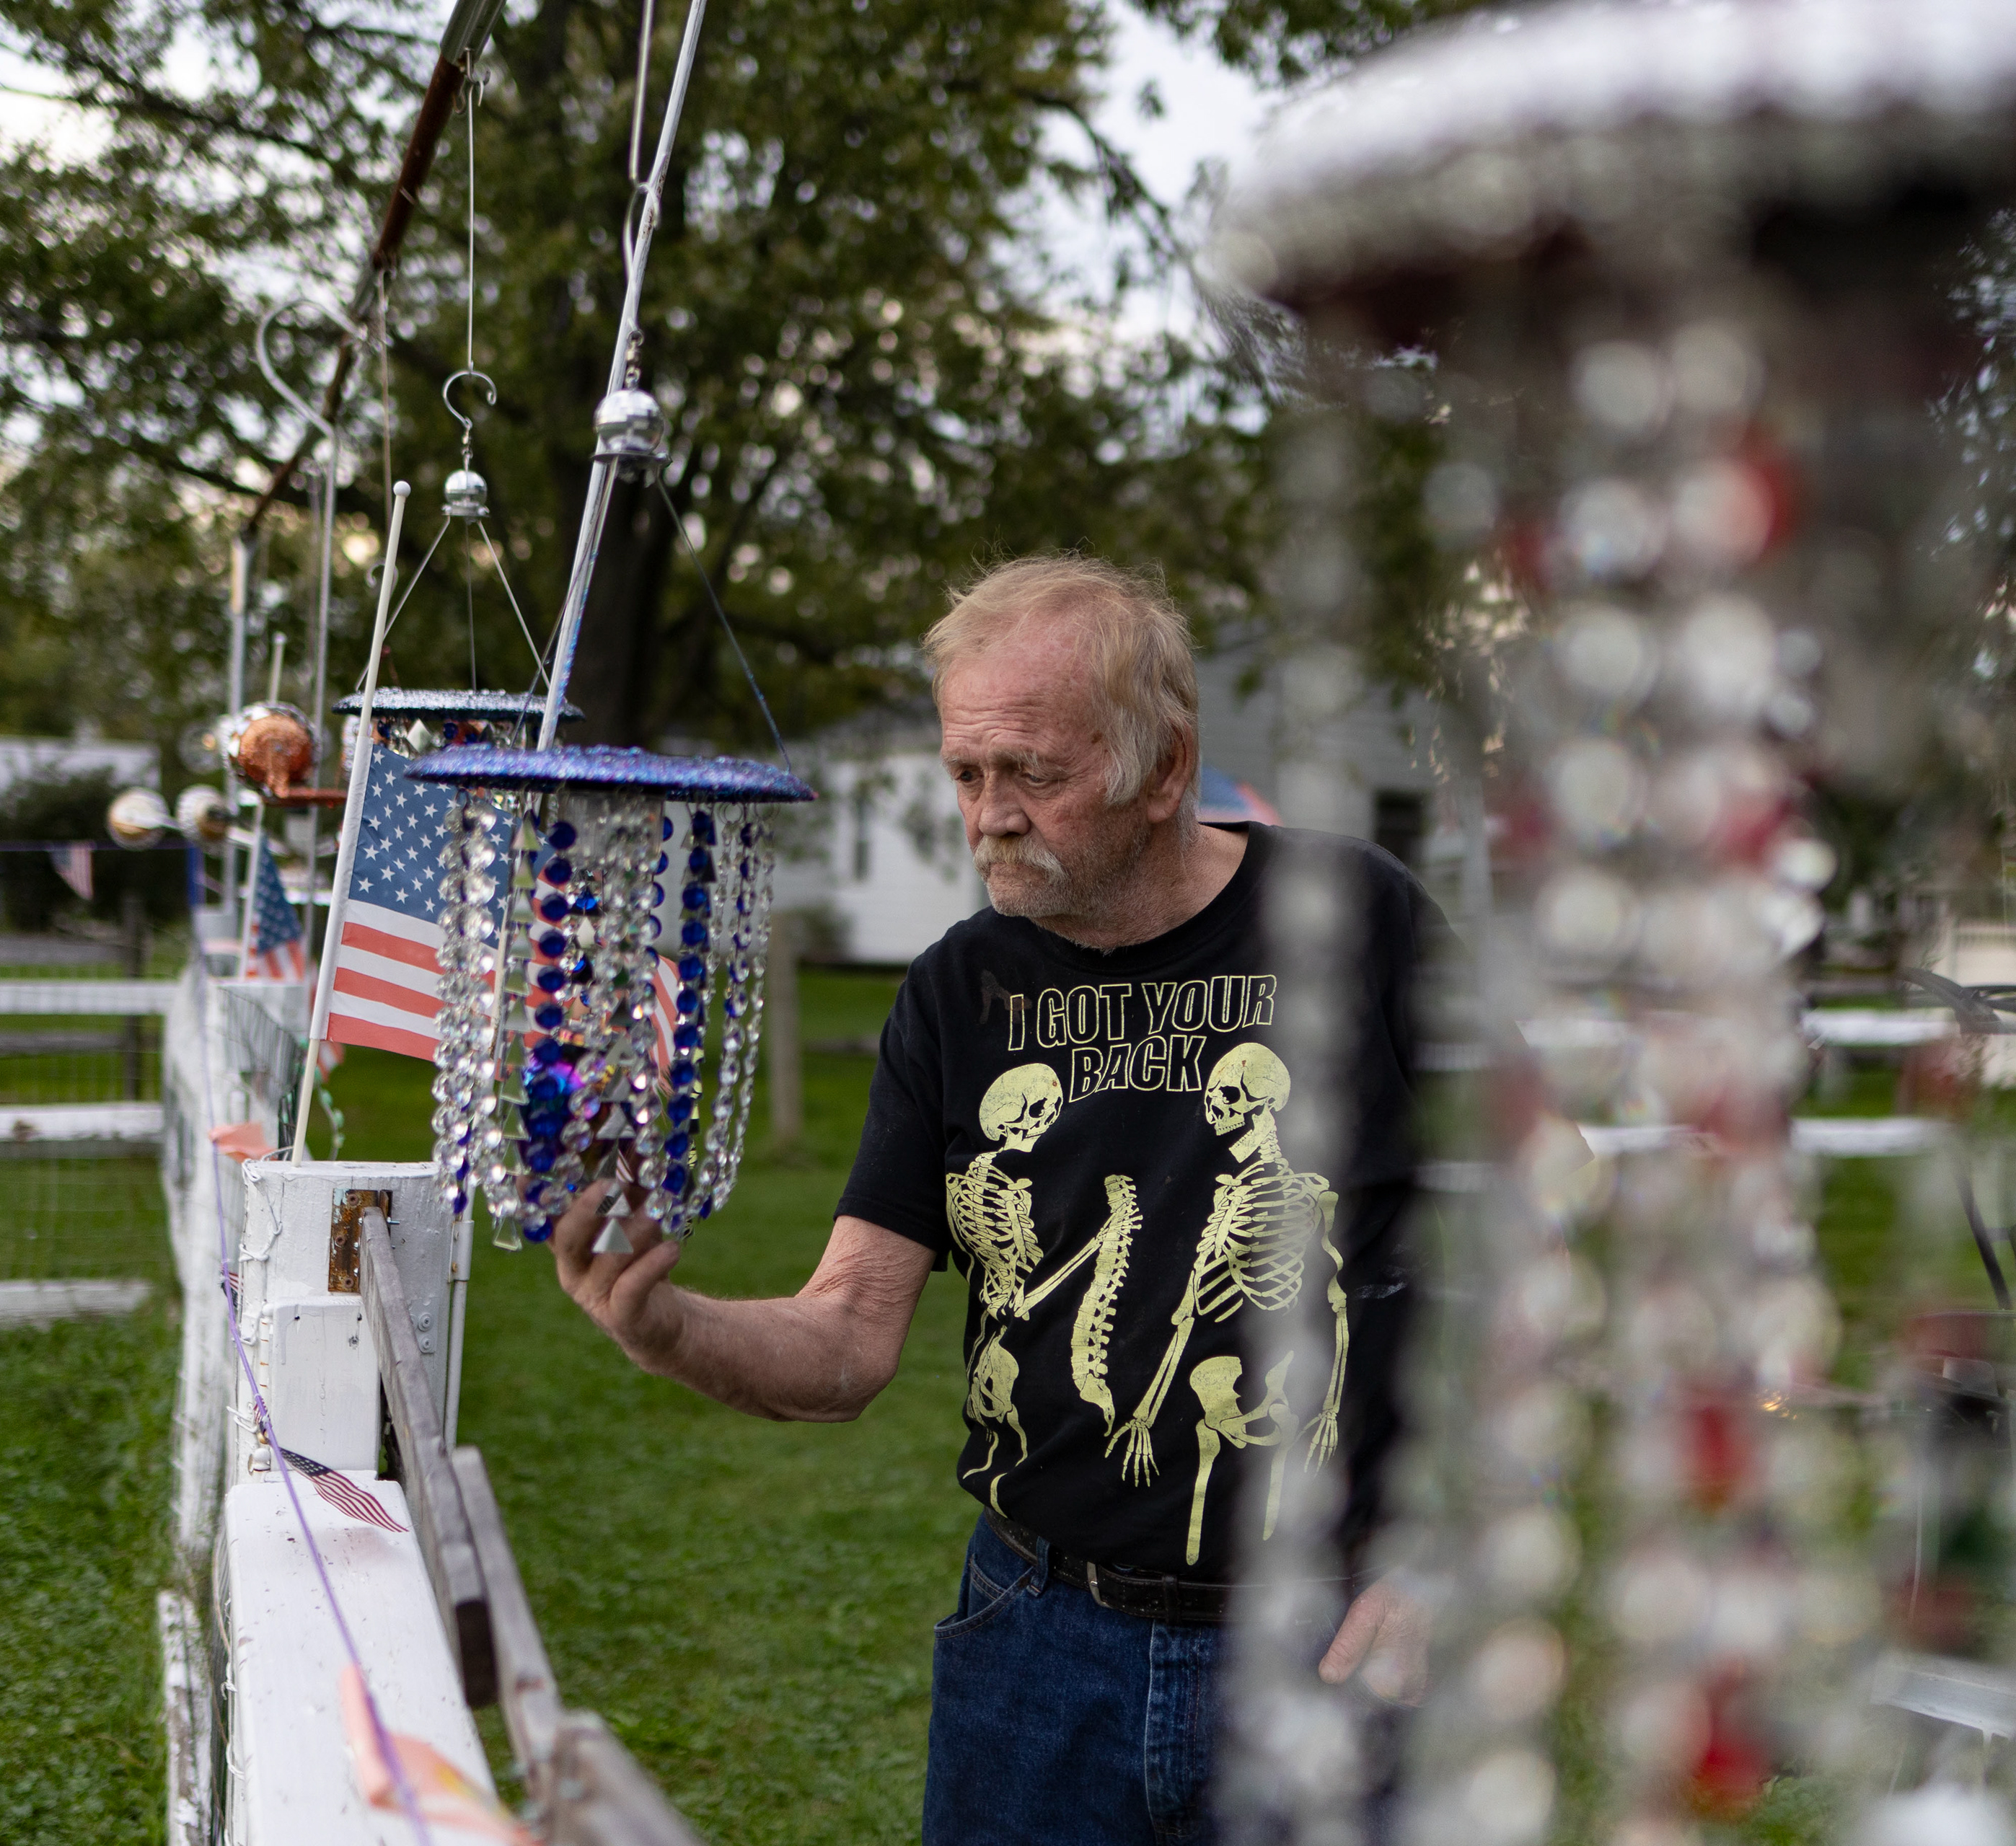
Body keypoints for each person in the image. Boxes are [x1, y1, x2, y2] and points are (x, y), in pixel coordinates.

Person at [550, 556, 1439, 1844]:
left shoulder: (1360, 921)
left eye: (1033, 772)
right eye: (967, 773)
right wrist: (659, 1322)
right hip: (1036, 1643)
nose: (990, 815)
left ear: (1166, 767)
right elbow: (849, 1338)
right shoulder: (956, 993)